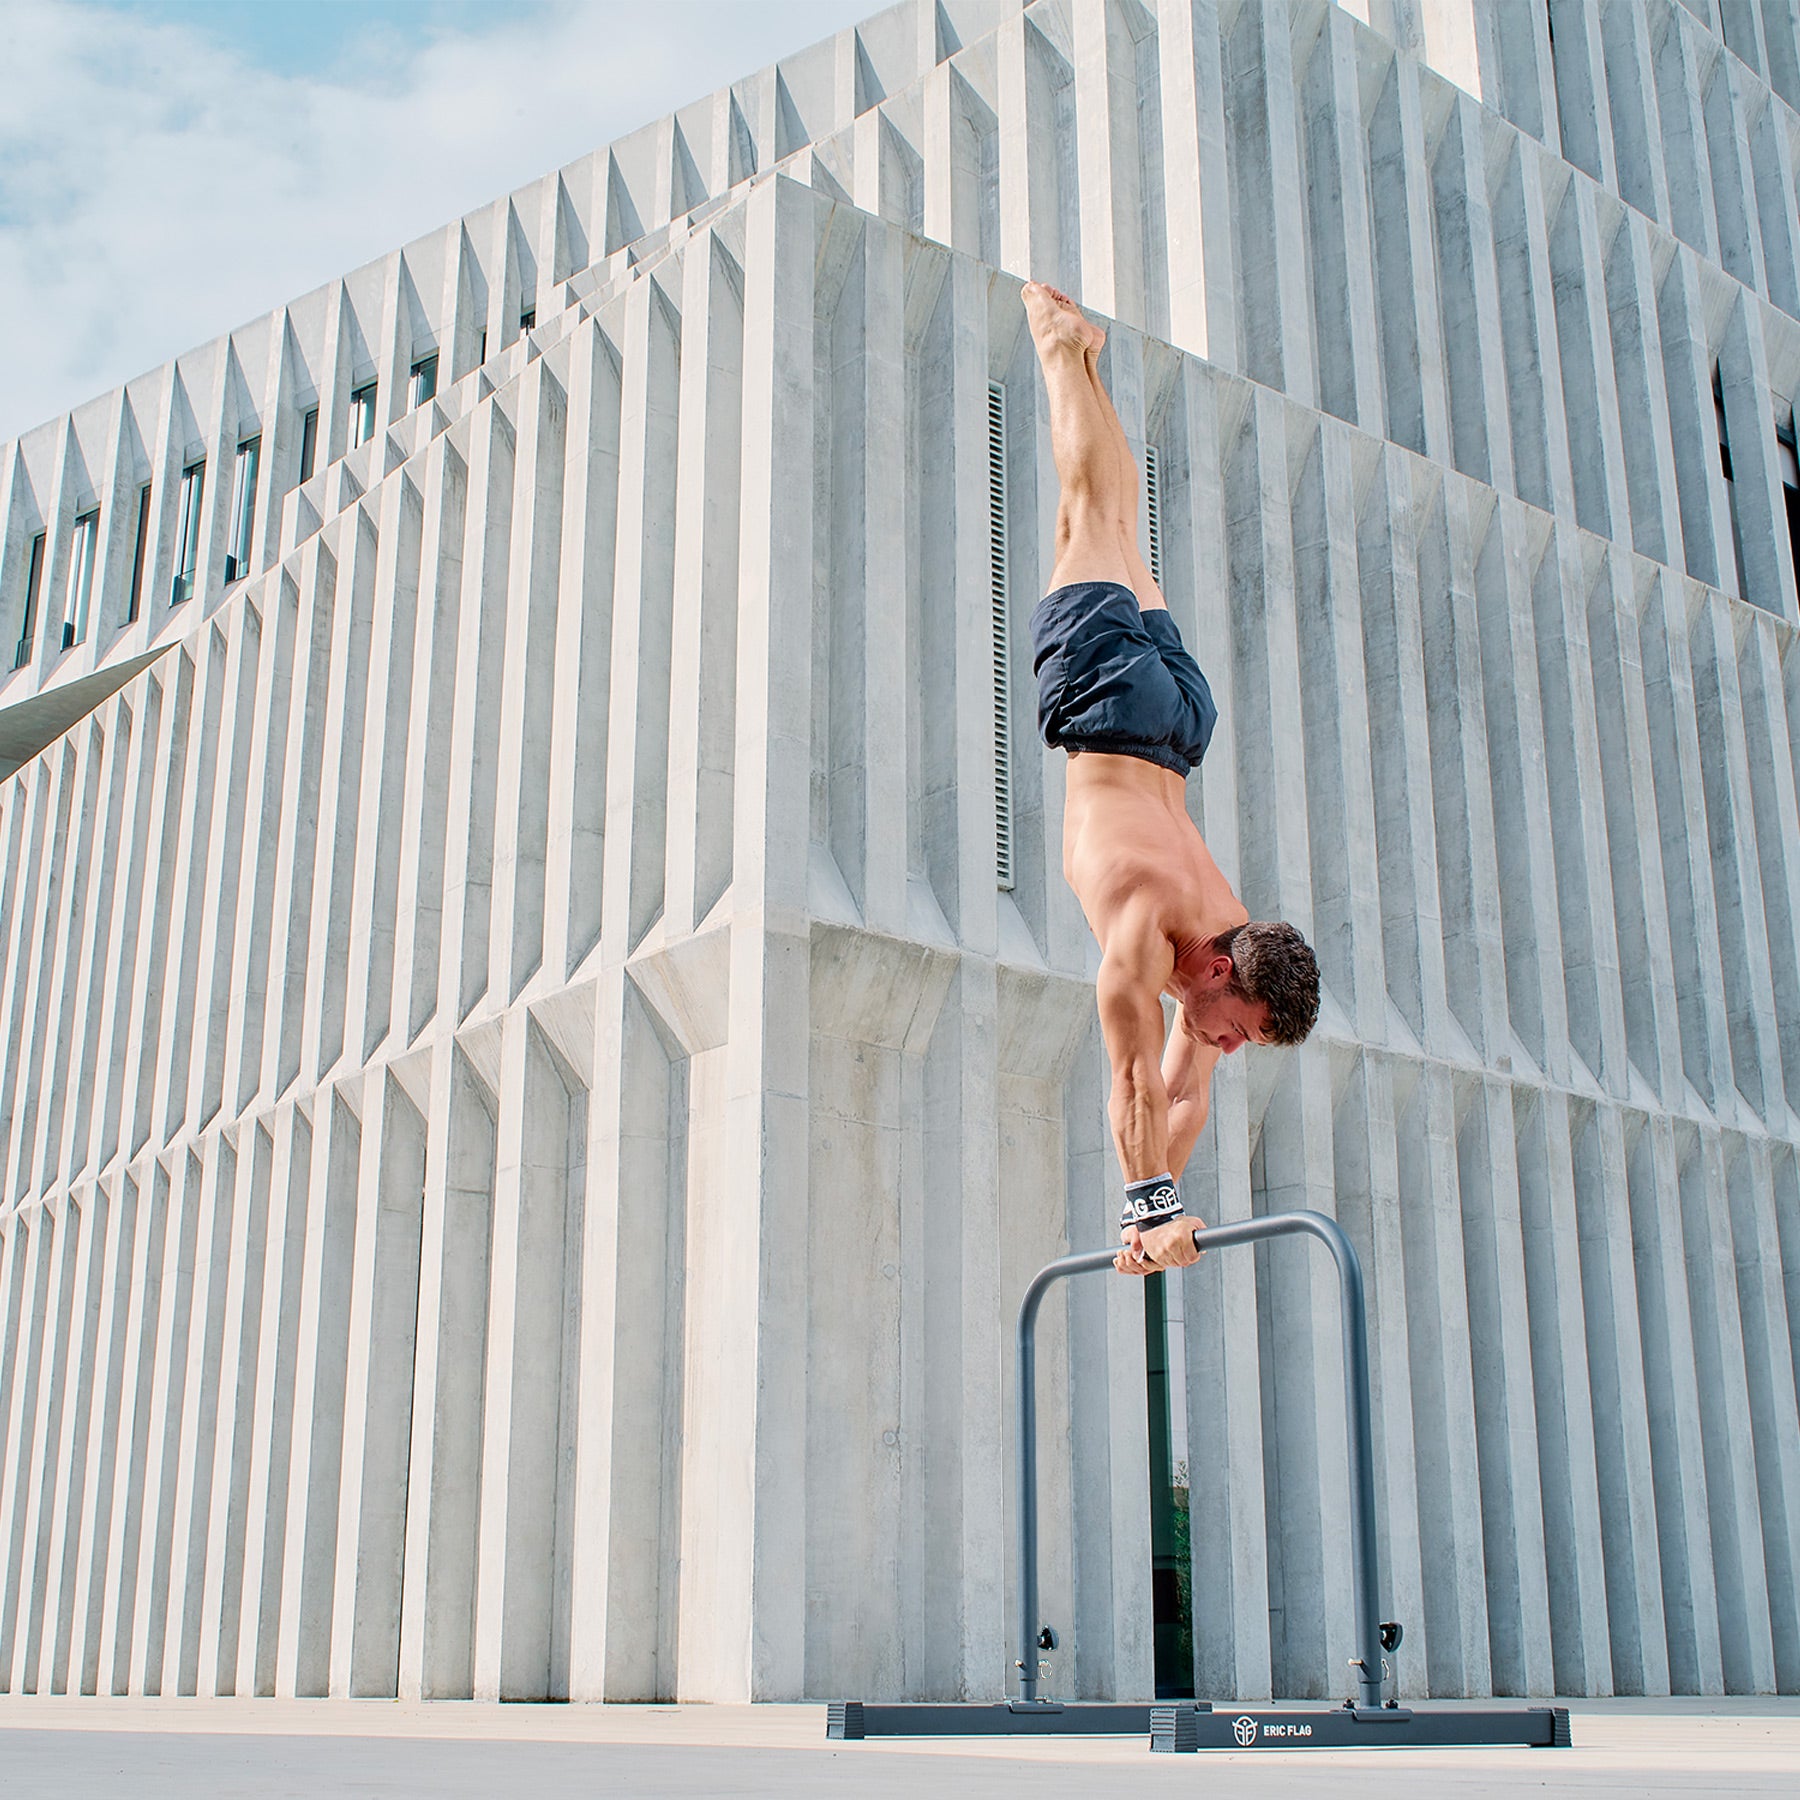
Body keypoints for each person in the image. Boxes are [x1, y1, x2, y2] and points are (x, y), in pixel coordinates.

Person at [1022, 281, 1320, 1279]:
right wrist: (1148, 1214)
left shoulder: (1224, 938)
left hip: (1180, 721)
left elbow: (1183, 1100)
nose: (1225, 1049)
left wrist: (1153, 1216)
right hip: (1111, 713)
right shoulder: (1152, 933)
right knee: (1084, 517)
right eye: (1238, 1033)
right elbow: (1138, 1086)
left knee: (1115, 524)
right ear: (1225, 974)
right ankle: (1062, 356)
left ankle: (1091, 364)